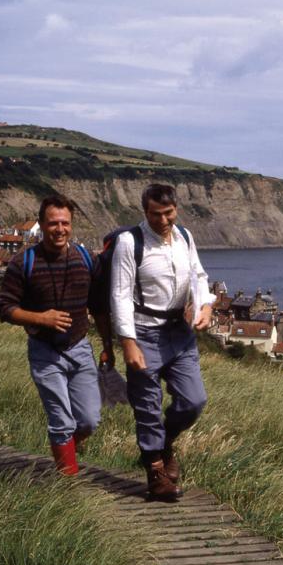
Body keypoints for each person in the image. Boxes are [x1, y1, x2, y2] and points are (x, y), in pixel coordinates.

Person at [0, 195, 114, 475]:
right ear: (41, 224)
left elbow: (98, 307)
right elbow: (3, 308)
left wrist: (108, 345)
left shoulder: (86, 259)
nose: (60, 229)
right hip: (44, 352)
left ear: (71, 225)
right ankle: (68, 484)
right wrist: (41, 318)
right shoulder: (24, 262)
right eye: (53, 223)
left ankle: (69, 448)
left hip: (80, 348)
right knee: (61, 421)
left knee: (88, 421)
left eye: (65, 223)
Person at [111, 183, 215, 501]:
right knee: (147, 406)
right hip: (144, 333)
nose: (163, 221)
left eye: (168, 213)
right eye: (156, 215)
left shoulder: (184, 236)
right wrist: (127, 342)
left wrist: (206, 305)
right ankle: (156, 472)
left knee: (193, 401)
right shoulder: (130, 243)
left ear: (176, 209)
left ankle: (164, 442)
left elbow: (197, 274)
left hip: (178, 332)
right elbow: (119, 294)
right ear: (145, 212)